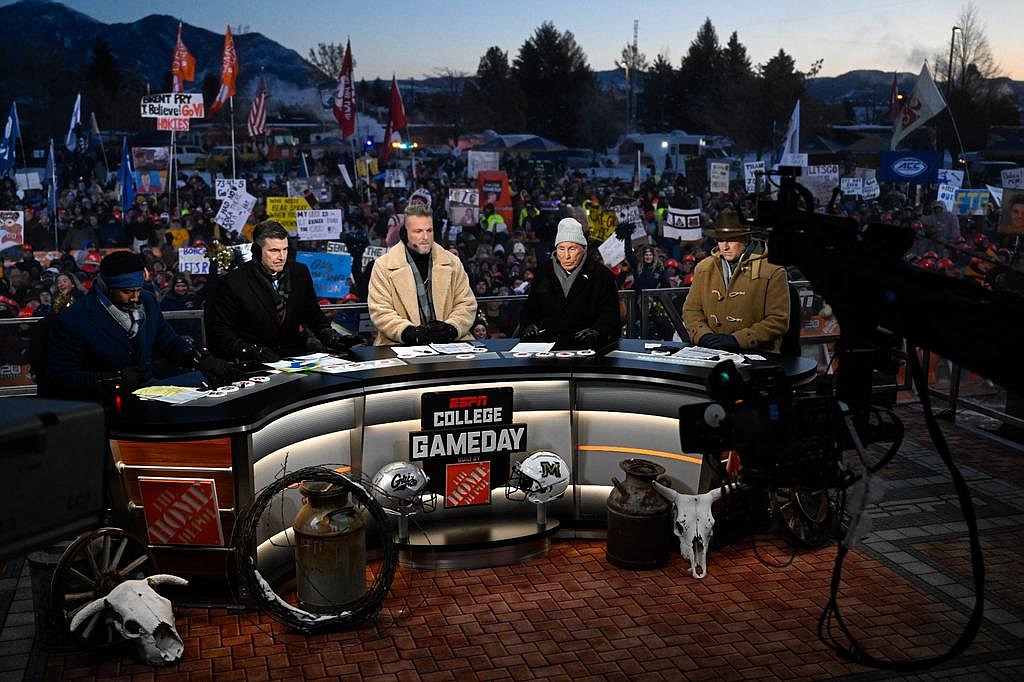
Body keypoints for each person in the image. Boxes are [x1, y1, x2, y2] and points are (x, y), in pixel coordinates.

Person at [43, 251, 239, 401]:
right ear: (106, 288)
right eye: (127, 292)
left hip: (151, 392)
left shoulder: (147, 300)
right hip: (104, 404)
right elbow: (61, 377)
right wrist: (112, 380)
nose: (135, 298)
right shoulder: (74, 319)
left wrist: (197, 358)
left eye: (138, 290)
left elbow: (168, 341)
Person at [205, 220, 363, 362]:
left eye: (285, 249)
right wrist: (253, 351)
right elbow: (222, 331)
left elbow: (313, 315)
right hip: (255, 365)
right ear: (257, 250)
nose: (281, 256)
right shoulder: (234, 282)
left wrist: (333, 337)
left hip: (296, 361)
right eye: (274, 251)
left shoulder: (299, 272)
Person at [367, 203, 477, 345]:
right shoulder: (383, 266)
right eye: (418, 231)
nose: (425, 237)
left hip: (450, 344)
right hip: (400, 345)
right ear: (405, 233)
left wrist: (451, 328)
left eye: (429, 230)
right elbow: (380, 310)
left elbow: (466, 303)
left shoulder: (452, 262)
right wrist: (407, 332)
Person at [681, 212, 789, 353]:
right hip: (711, 352)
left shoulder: (773, 271)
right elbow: (691, 310)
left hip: (757, 356)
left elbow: (778, 321)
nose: (724, 247)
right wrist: (703, 335)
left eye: (731, 240)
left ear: (746, 239)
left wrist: (739, 340)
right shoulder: (703, 268)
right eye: (720, 240)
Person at [519, 217, 621, 349]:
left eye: (572, 249)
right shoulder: (543, 272)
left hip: (588, 349)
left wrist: (598, 331)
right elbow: (531, 308)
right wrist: (529, 325)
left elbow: (610, 314)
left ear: (583, 248)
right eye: (561, 249)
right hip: (548, 347)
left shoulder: (602, 276)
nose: (566, 256)